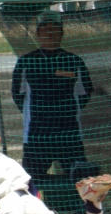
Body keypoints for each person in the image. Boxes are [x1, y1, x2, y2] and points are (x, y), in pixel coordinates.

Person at [11, 10, 94, 180]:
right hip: (36, 136)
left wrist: (65, 112)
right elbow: (17, 94)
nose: (50, 33)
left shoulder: (74, 61)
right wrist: (40, 113)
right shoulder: (26, 62)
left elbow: (84, 93)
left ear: (62, 32)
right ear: (37, 33)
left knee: (80, 181)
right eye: (45, 29)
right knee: (30, 182)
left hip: (70, 135)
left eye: (54, 28)